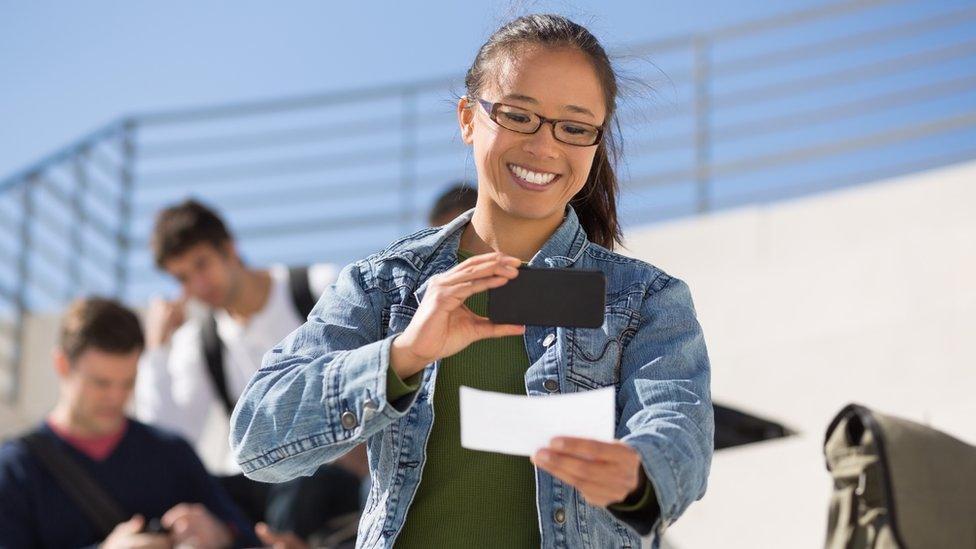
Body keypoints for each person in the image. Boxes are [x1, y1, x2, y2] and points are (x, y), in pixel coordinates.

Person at [230, 14, 713, 548]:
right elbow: (256, 438)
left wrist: (636, 472)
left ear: (595, 143)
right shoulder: (383, 285)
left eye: (574, 127)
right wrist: (405, 355)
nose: (544, 145)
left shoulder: (646, 300)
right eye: (518, 115)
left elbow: (680, 437)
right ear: (467, 118)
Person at [134, 199, 365, 541]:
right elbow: (168, 437)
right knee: (185, 506)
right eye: (183, 277)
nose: (198, 285)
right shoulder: (199, 342)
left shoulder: (318, 288)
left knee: (301, 480)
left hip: (335, 473)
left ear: (229, 248)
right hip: (260, 489)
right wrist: (156, 349)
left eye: (202, 265)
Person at [0, 297, 259, 548]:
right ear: (62, 365)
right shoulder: (16, 468)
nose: (116, 397)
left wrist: (222, 534)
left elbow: (249, 536)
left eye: (128, 382)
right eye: (101, 383)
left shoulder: (171, 453)